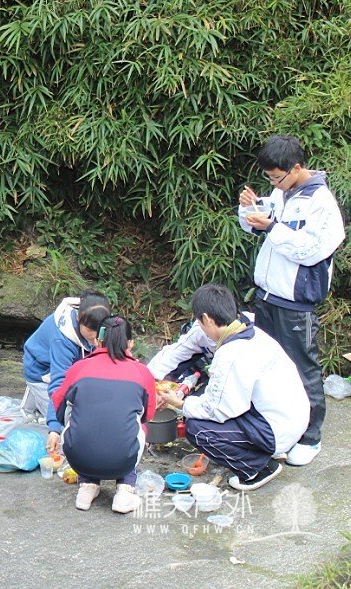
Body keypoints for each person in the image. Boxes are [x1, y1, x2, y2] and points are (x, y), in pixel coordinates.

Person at [237, 135, 345, 466]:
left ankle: (311, 438)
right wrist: (250, 208)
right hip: (267, 296)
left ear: (296, 168)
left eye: (276, 177)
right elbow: (256, 228)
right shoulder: (282, 193)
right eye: (268, 178)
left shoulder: (321, 203)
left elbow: (309, 250)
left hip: (296, 302)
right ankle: (279, 430)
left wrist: (272, 227)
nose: (273, 184)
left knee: (303, 369)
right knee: (268, 368)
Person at [158, 285, 309, 491]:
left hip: (276, 430)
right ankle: (259, 453)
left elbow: (218, 410)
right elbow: (176, 353)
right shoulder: (250, 331)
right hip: (290, 417)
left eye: (199, 322)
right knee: (203, 401)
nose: (199, 327)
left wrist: (180, 404)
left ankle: (257, 468)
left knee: (197, 429)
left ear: (207, 319)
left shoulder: (232, 353)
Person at [51, 316, 156, 514]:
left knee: (79, 416)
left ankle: (87, 487)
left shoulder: (79, 368)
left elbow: (58, 406)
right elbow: (147, 415)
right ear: (130, 343)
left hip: (78, 459)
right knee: (137, 425)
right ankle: (125, 490)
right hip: (122, 460)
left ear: (98, 341)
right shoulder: (142, 373)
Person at [21, 291, 111, 454]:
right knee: (67, 427)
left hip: (70, 366)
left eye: (97, 337)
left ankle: (36, 400)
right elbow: (59, 383)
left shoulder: (94, 314)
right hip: (43, 371)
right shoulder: (62, 339)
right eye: (90, 336)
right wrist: (55, 428)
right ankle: (35, 393)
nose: (94, 341)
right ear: (79, 318)